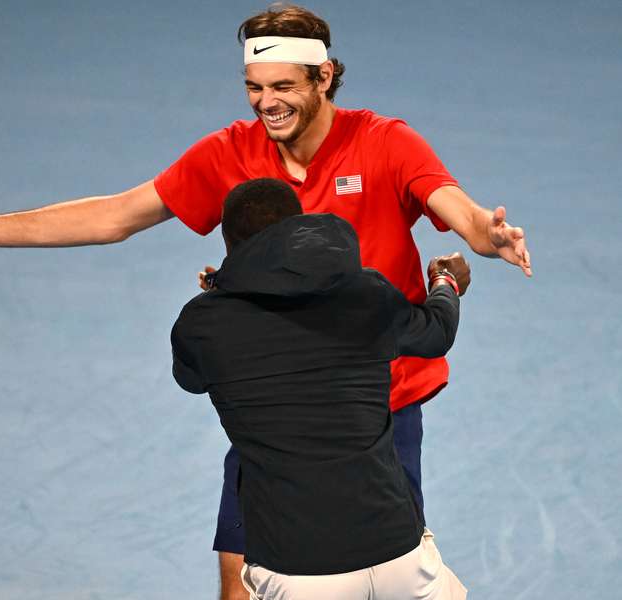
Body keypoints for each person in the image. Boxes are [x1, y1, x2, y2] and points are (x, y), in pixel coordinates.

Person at [0, 5, 530, 598]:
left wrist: (487, 235)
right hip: (273, 407)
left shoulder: (385, 142)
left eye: (283, 87)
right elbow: (117, 216)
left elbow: (461, 213)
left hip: (378, 407)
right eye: (255, 86)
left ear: (324, 77)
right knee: (238, 581)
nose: (266, 103)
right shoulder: (230, 152)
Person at [172, 178, 468, 599]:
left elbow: (191, 377)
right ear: (300, 227)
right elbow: (436, 332)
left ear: (227, 242)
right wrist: (445, 282)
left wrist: (223, 292)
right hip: (398, 557)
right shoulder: (366, 292)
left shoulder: (202, 325)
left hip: (298, 571)